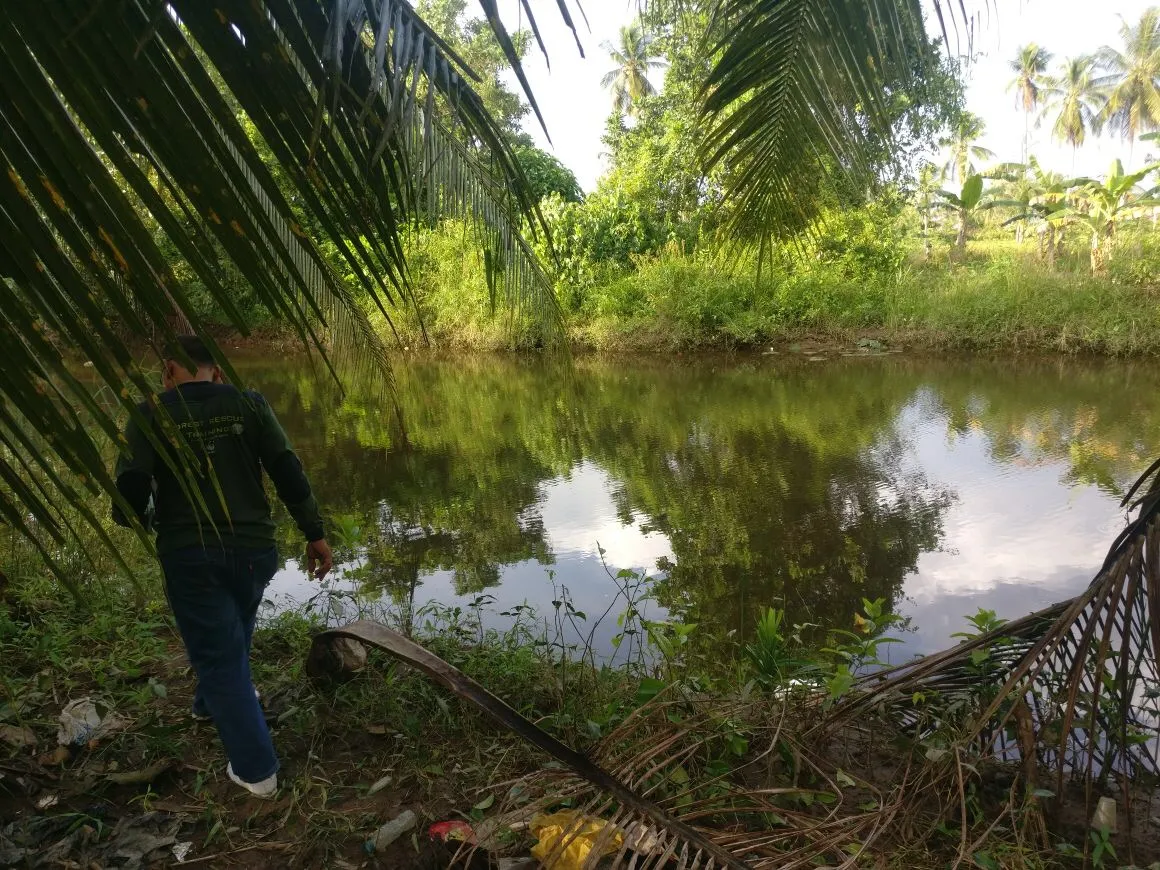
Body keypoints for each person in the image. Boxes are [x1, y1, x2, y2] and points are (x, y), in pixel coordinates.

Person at [112, 335, 332, 798]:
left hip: (191, 554)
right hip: (255, 551)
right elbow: (287, 469)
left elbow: (129, 492)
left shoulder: (151, 414)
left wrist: (138, 509)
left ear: (169, 369)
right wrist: (314, 532)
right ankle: (208, 704)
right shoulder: (248, 405)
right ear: (216, 370)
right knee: (230, 629)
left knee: (217, 654)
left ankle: (256, 771)